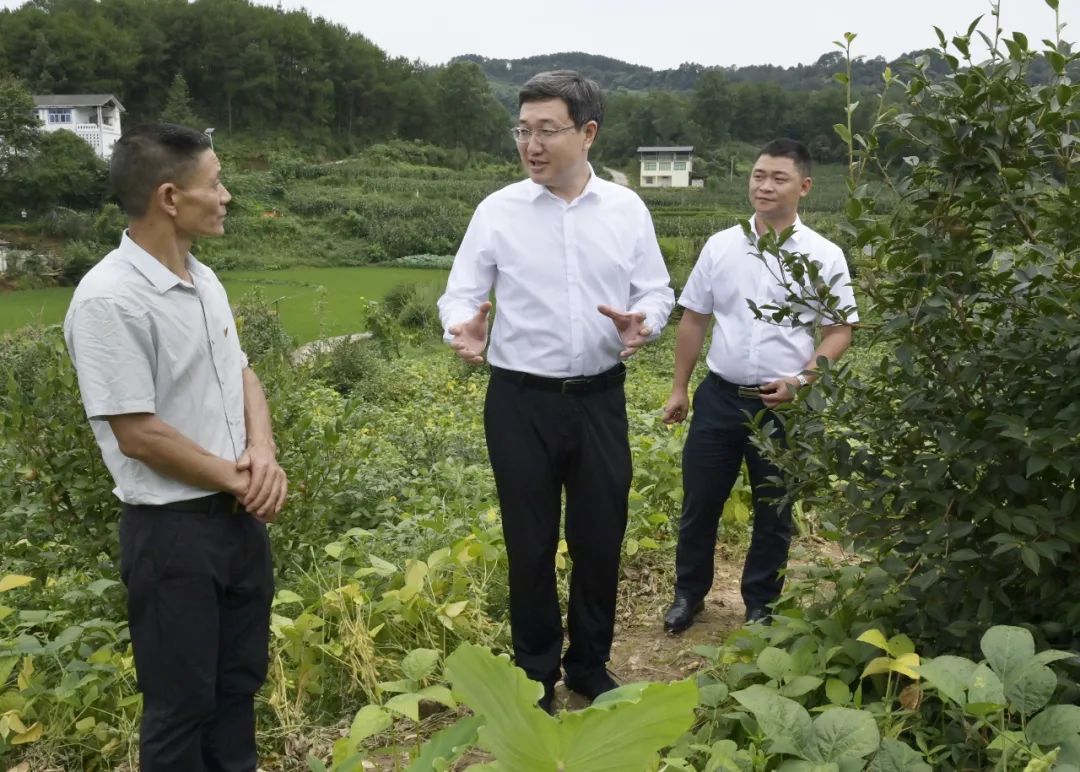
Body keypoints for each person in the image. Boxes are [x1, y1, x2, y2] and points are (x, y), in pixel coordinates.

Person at [438, 70, 674, 712]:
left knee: (601, 536)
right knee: (530, 542)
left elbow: (656, 289)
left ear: (587, 133)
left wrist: (643, 321)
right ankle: (535, 675)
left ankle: (591, 667)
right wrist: (463, 325)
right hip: (520, 402)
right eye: (523, 130)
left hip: (599, 398)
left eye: (547, 130)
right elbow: (460, 293)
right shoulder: (498, 211)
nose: (531, 144)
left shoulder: (627, 210)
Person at [63, 123, 287, 771]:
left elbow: (242, 372)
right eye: (213, 183)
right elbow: (138, 433)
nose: (225, 196)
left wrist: (263, 453)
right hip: (173, 535)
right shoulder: (110, 299)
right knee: (180, 707)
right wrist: (239, 477)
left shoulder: (203, 279)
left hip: (237, 522)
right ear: (169, 196)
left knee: (237, 687)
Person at [661, 138, 857, 633]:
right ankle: (689, 595)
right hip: (720, 396)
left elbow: (839, 330)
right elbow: (694, 319)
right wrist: (680, 388)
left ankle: (760, 603)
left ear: (804, 187)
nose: (764, 186)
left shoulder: (822, 255)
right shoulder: (721, 246)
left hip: (784, 405)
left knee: (775, 511)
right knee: (700, 502)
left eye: (778, 178)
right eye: (758, 176)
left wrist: (803, 381)